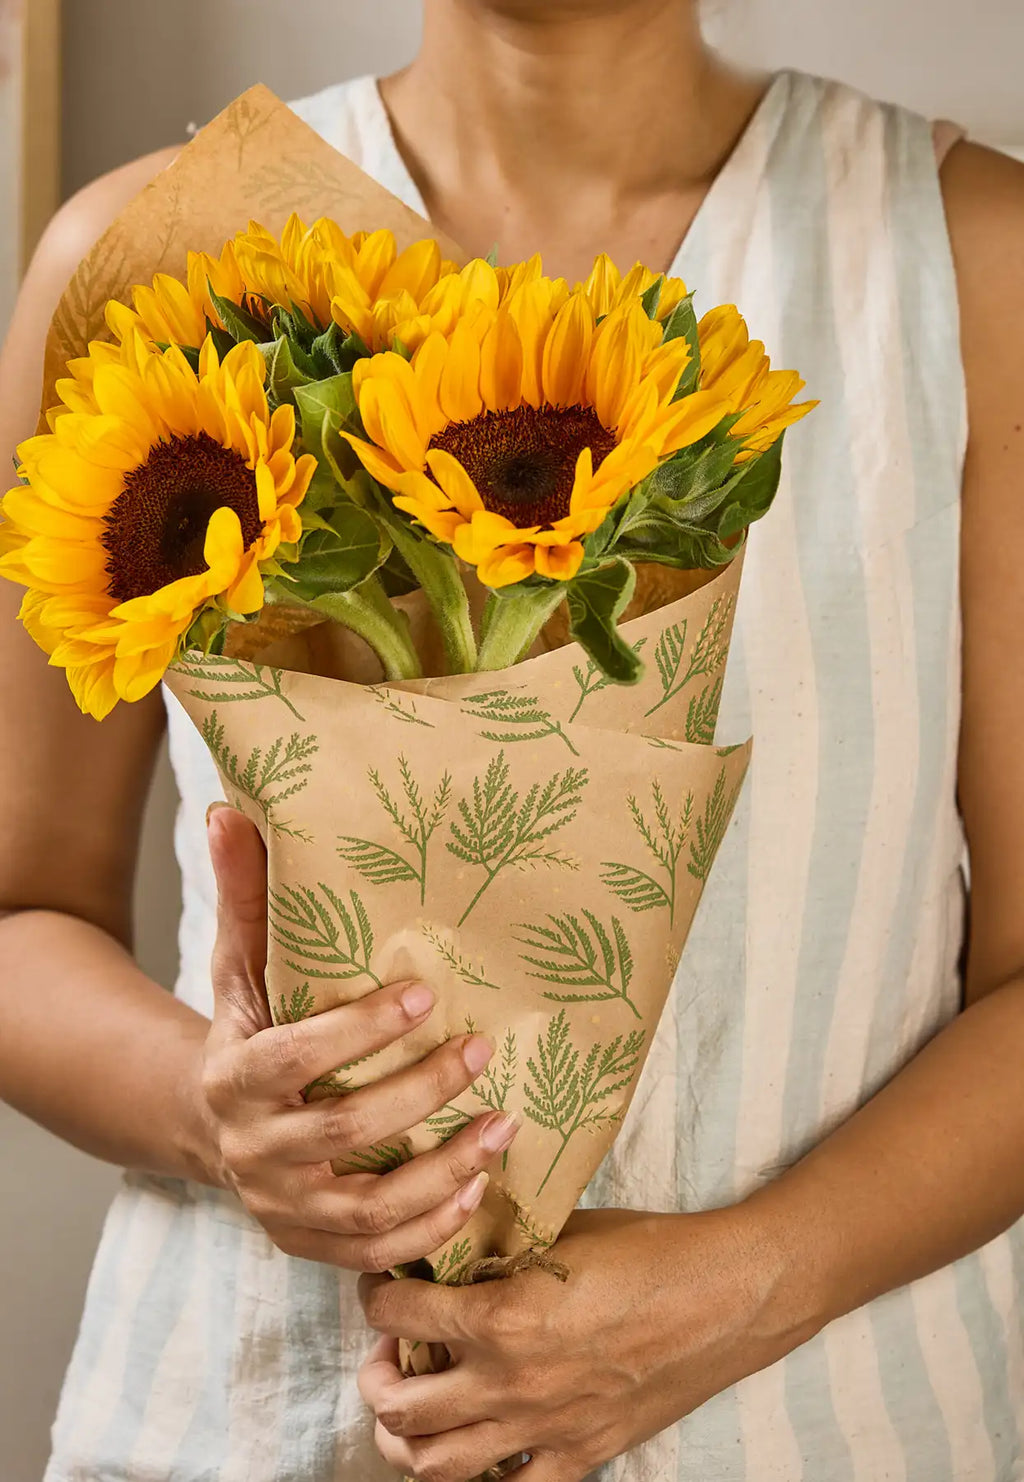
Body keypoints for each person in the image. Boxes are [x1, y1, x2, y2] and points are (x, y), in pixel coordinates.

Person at [2, 1, 1023, 1478]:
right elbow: (27, 908)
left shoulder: (971, 262)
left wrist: (739, 1287)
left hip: (827, 1426)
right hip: (248, 1422)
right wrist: (213, 1115)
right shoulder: (153, 256)